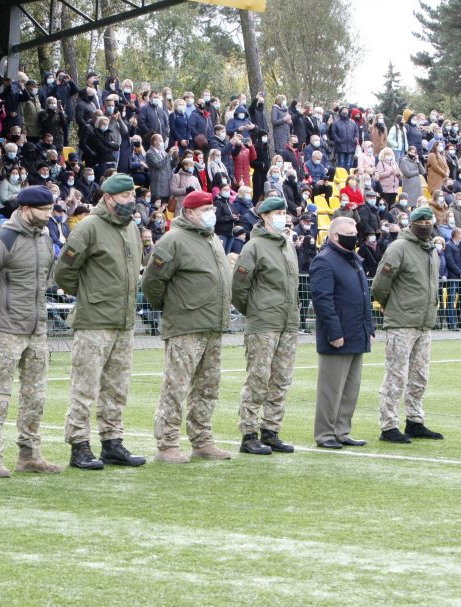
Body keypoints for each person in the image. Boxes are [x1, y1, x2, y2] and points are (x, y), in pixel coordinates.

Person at [55, 173, 146, 469]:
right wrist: (91, 294)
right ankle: (79, 444)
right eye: (124, 196)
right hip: (94, 321)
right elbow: (64, 272)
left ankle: (112, 442)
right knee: (85, 386)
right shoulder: (89, 228)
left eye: (132, 196)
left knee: (117, 386)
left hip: (123, 321)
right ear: (108, 198)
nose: (131, 201)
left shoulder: (131, 227)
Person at [0, 186, 62, 477]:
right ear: (25, 209)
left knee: (35, 395)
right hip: (8, 329)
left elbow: (45, 279)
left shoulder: (44, 240)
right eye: (43, 210)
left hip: (37, 329)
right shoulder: (1, 241)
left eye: (50, 210)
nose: (49, 215)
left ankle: (30, 454)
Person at [140, 190, 232, 463]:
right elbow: (152, 283)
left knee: (207, 387)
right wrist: (173, 308)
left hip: (212, 325)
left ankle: (202, 440)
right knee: (176, 387)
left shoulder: (212, 239)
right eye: (205, 210)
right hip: (185, 325)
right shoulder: (173, 241)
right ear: (189, 212)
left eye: (211, 209)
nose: (210, 214)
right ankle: (167, 444)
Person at [371, 206, 445, 444]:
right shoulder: (398, 248)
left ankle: (415, 420)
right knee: (396, 375)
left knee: (420, 376)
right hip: (402, 322)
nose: (425, 225)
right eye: (420, 221)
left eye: (428, 221)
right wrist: (388, 305)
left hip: (424, 323)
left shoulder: (431, 250)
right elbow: (380, 284)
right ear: (411, 223)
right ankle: (389, 424)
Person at [231, 197, 299, 455]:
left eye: (285, 211)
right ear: (265, 216)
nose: (284, 216)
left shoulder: (287, 246)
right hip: (264, 323)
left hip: (287, 323)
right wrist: (255, 311)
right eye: (278, 212)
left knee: (280, 379)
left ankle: (271, 430)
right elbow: (238, 287)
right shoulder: (254, 247)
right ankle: (249, 433)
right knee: (258, 379)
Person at [309, 216, 373, 449]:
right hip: (338, 335)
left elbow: (364, 297)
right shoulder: (324, 261)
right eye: (349, 231)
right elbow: (323, 301)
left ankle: (342, 430)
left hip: (357, 332)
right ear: (335, 235)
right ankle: (325, 433)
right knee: (331, 390)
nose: (354, 234)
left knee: (350, 389)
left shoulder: (352, 259)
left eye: (355, 229)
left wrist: (369, 327)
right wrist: (335, 333)